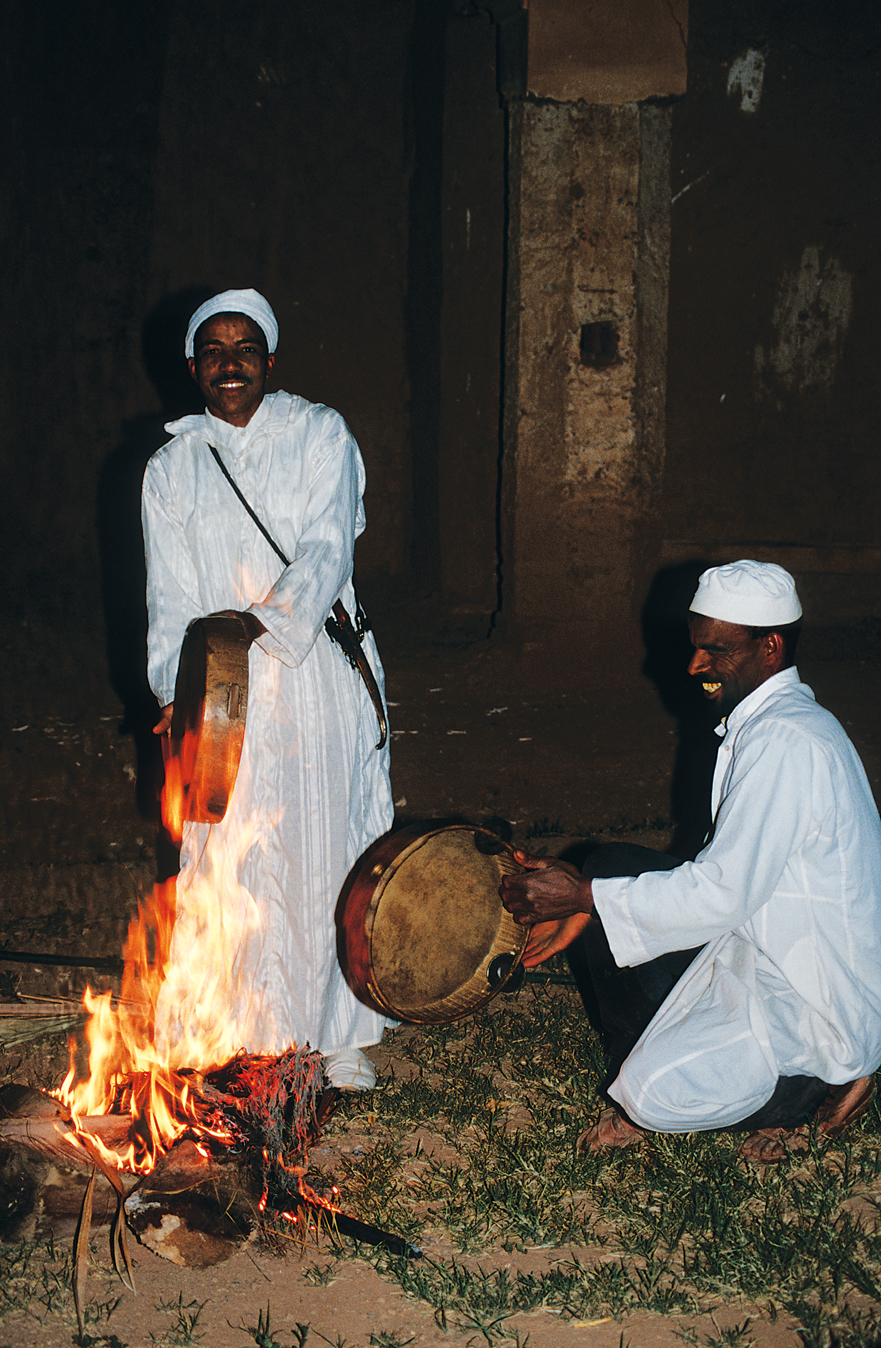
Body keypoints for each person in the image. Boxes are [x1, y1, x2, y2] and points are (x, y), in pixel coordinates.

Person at [501, 560, 881, 1161]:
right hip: (769, 957)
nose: (694, 667)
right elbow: (724, 876)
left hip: (810, 1011)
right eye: (695, 648)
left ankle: (804, 1092)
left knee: (651, 1085)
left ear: (771, 646)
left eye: (715, 652)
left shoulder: (787, 742)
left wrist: (583, 898)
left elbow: (719, 896)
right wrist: (590, 890)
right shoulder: (778, 723)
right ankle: (777, 1073)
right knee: (609, 865)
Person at [141, 287, 393, 1090]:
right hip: (224, 692)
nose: (229, 362)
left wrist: (262, 623)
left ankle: (339, 1034)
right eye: (212, 350)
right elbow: (169, 599)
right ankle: (237, 1027)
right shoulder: (172, 467)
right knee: (229, 851)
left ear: (270, 359)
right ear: (192, 367)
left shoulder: (320, 434)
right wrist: (170, 696)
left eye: (244, 346)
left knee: (328, 845)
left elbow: (327, 548)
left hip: (312, 668)